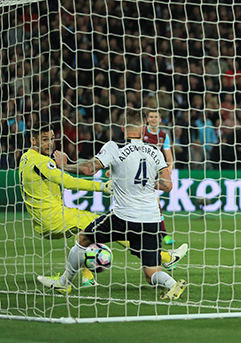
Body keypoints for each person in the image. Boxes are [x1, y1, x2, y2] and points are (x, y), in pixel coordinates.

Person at [37, 108, 189, 299]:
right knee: (151, 274)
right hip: (151, 220)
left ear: (123, 127)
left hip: (123, 217)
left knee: (83, 238)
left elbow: (88, 169)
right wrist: (146, 182)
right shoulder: (155, 151)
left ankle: (64, 283)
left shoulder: (114, 146)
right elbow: (167, 186)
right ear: (143, 129)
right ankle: (172, 283)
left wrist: (64, 165)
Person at [19, 122, 114, 287]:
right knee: (107, 223)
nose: (49, 143)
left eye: (51, 139)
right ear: (33, 141)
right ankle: (164, 257)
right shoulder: (40, 161)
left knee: (85, 233)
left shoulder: (25, 157)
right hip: (54, 218)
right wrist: (101, 186)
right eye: (44, 139)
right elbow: (68, 182)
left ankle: (87, 277)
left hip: (44, 221)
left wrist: (58, 166)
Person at [143, 109, 175, 245]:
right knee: (151, 204)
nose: (154, 119)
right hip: (138, 171)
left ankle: (163, 234)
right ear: (147, 119)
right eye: (151, 117)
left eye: (156, 117)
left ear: (160, 119)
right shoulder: (142, 132)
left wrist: (169, 169)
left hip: (152, 174)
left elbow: (168, 156)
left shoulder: (163, 136)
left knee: (155, 203)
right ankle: (163, 234)